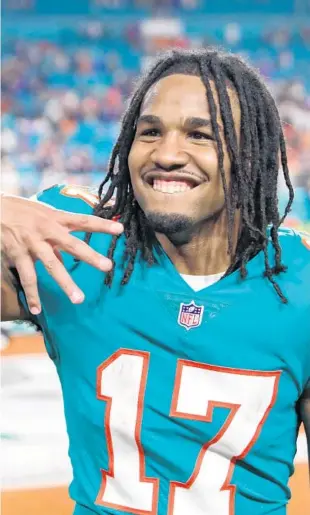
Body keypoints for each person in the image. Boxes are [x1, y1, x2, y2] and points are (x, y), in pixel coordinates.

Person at [1, 48, 310, 515]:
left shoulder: (299, 284)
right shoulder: (79, 244)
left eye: (200, 135)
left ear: (251, 156)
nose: (166, 154)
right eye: (150, 132)